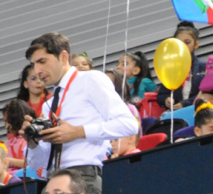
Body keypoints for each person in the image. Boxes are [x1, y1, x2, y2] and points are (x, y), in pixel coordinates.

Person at [21, 32, 139, 194]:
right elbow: (38, 163)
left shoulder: (90, 80)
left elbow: (129, 124)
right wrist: (32, 143)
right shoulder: (49, 105)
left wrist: (77, 132)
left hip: (83, 178)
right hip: (54, 181)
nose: (37, 70)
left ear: (63, 57)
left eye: (42, 61)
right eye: (34, 64)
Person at [157, 22, 206, 111]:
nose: (183, 46)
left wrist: (185, 104)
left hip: (198, 111)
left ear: (196, 44)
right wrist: (166, 100)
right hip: (176, 113)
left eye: (187, 42)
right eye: (179, 43)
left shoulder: (204, 67)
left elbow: (206, 94)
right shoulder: (170, 69)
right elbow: (161, 95)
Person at [2, 99, 35, 172]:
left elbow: (30, 163)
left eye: (8, 122)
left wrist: (9, 160)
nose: (6, 126)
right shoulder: (7, 144)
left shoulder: (30, 140)